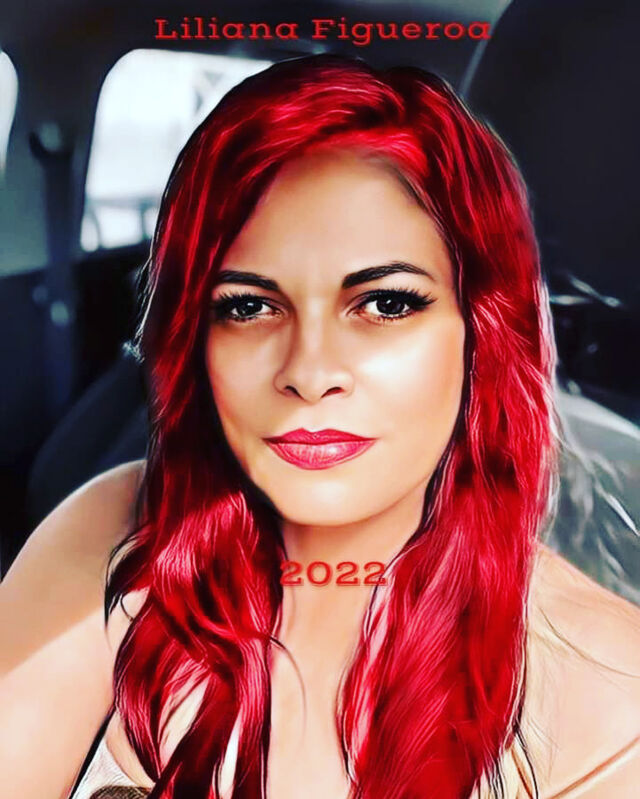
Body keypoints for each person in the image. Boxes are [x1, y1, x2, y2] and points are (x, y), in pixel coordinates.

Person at [1, 54, 639, 799]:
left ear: (483, 332)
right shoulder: (114, 530)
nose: (308, 371)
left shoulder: (610, 693)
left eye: (386, 304)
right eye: (248, 306)